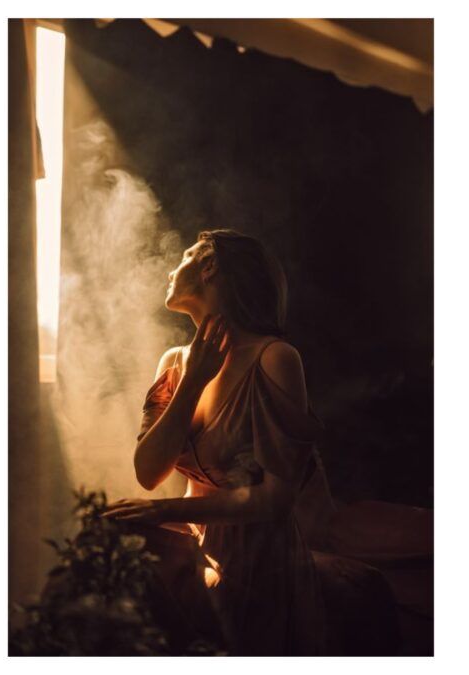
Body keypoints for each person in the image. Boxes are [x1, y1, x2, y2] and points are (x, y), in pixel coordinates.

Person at [103, 229, 329, 655]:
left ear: (210, 266)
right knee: (109, 537)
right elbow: (148, 473)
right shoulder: (174, 362)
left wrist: (164, 510)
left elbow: (276, 499)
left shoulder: (275, 359)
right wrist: (192, 383)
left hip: (259, 563)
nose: (172, 267)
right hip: (197, 547)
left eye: (186, 255)